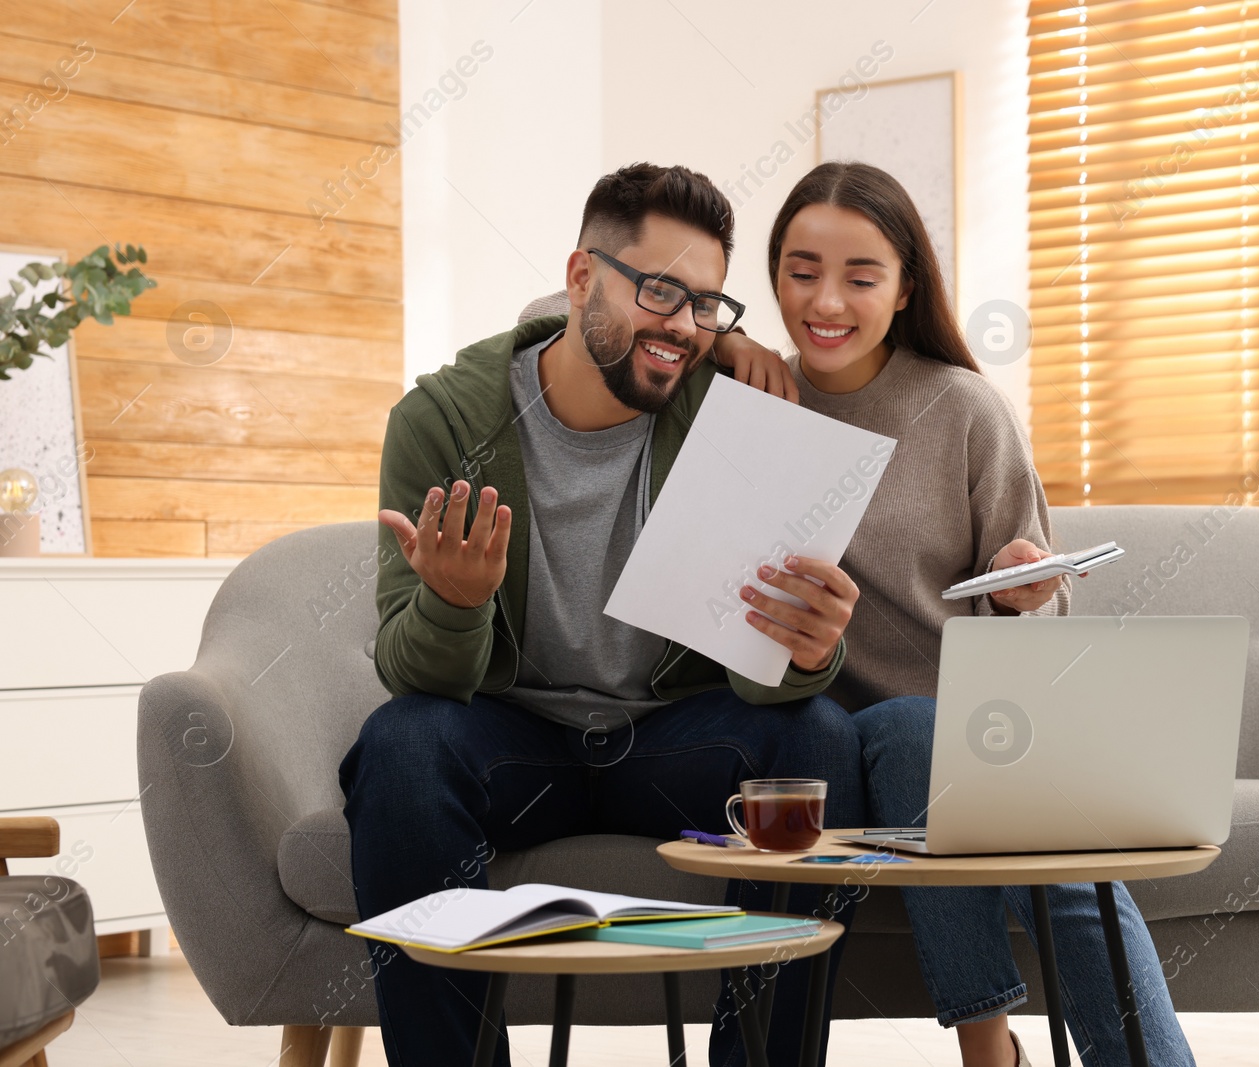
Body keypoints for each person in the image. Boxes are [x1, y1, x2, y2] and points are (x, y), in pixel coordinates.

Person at [342, 162, 867, 1067]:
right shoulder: (441, 421)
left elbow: (759, 669)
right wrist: (457, 607)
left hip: (670, 740)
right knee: (401, 744)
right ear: (581, 277)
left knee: (818, 736)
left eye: (707, 305)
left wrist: (807, 651)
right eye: (661, 292)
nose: (684, 328)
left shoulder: (727, 411)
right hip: (513, 740)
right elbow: (412, 672)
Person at [721, 161, 1197, 1067]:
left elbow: (1044, 606)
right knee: (900, 729)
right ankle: (991, 1051)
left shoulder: (964, 406)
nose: (826, 300)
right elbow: (589, 316)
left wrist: (1025, 589)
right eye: (799, 270)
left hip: (986, 729)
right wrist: (714, 341)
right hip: (821, 738)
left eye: (860, 277)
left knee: (1019, 827)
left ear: (905, 289)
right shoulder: (751, 401)